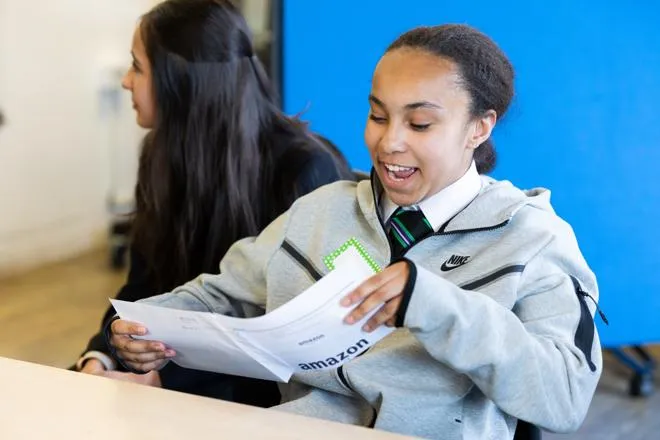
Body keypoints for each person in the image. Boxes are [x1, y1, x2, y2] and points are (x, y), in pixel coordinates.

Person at [108, 24, 602, 438]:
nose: (389, 143)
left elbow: (564, 396)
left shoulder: (532, 238)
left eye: (420, 124)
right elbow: (220, 294)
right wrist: (147, 326)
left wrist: (434, 306)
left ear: (480, 127)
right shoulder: (323, 211)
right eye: (378, 116)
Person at [74, 0, 352, 408]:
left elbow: (298, 336)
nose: (126, 82)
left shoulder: (302, 169)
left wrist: (168, 382)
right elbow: (140, 291)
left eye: (137, 67)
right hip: (167, 375)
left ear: (181, 80)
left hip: (269, 397)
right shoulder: (158, 157)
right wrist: (101, 356)